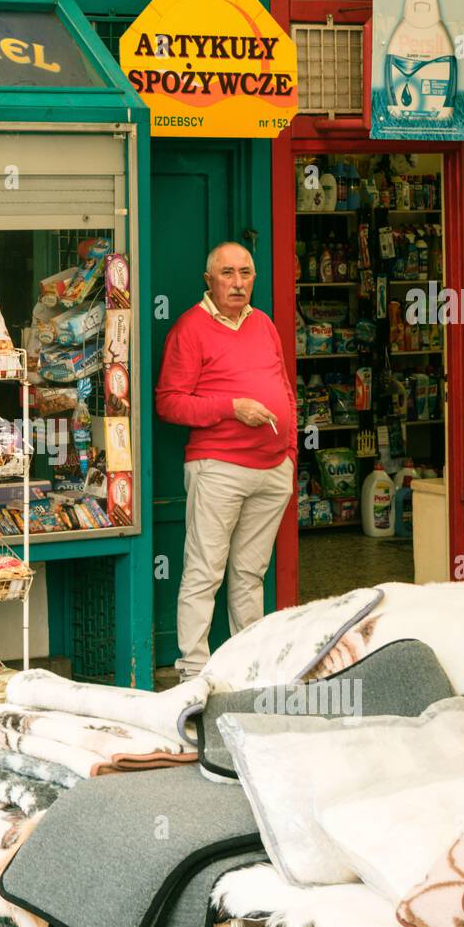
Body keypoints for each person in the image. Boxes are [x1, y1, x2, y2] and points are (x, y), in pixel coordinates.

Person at [155, 242, 296, 678]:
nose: (238, 283)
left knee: (250, 575)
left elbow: (285, 387)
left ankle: (245, 669)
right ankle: (193, 673)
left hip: (273, 469)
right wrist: (230, 407)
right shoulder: (190, 328)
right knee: (204, 573)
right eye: (228, 274)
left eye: (246, 273)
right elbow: (169, 403)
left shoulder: (264, 324)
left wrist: (289, 451)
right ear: (209, 280)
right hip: (219, 468)